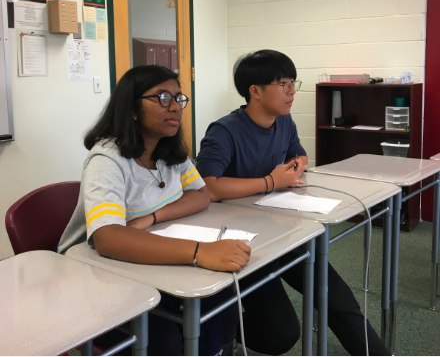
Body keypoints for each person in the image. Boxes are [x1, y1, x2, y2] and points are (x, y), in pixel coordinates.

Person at [196, 49, 390, 356]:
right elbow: (207, 187)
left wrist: (294, 168)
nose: (291, 92)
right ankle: (225, 328)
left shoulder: (284, 122)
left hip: (280, 228)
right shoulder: (224, 131)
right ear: (255, 91)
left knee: (335, 295)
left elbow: (299, 156)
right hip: (239, 242)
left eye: (293, 83)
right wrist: (272, 182)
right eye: (282, 84)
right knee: (281, 336)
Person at [58, 65, 251, 355]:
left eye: (178, 98)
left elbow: (201, 195)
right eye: (163, 98)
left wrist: (152, 217)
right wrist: (199, 252)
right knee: (168, 343)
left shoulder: (169, 151)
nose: (175, 107)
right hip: (96, 276)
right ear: (132, 108)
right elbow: (109, 238)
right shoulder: (107, 158)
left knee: (217, 306)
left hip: (146, 261)